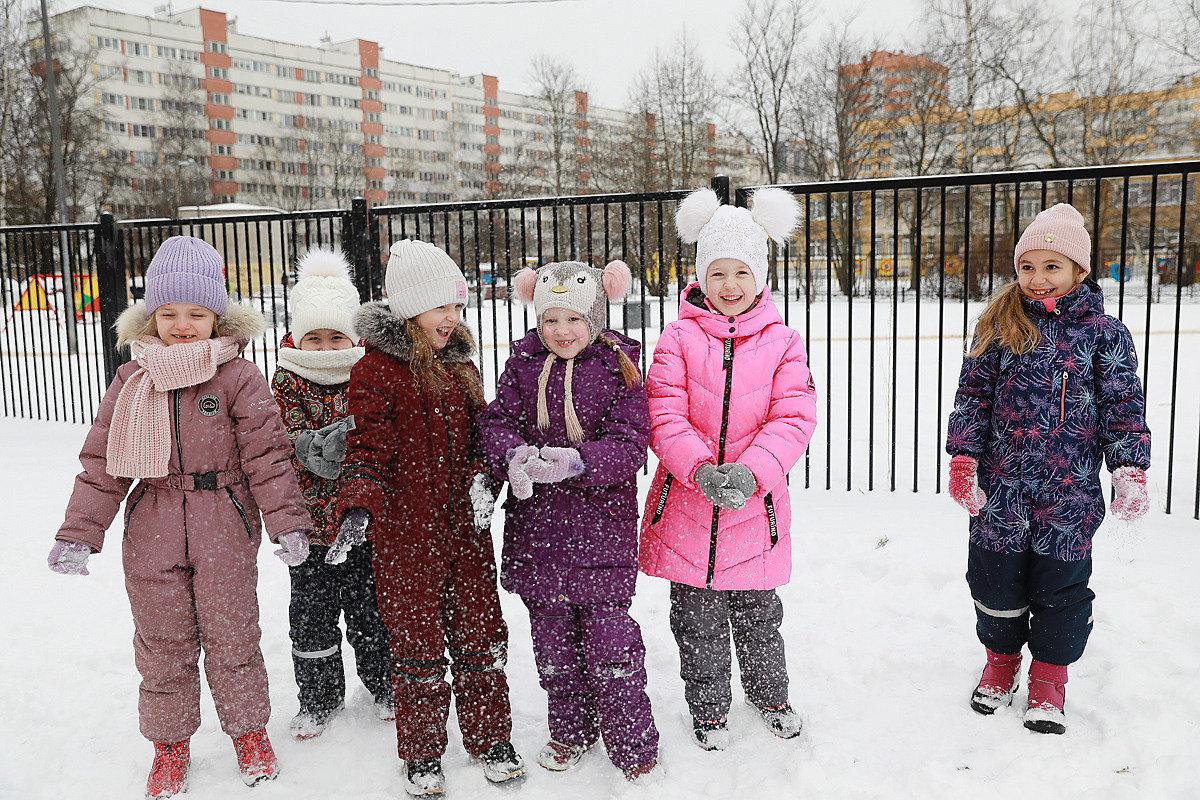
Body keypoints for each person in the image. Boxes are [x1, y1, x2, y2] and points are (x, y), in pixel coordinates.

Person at [48, 235, 311, 798]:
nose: (182, 325)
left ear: (217, 315)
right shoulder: (132, 380)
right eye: (168, 313)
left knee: (233, 637)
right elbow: (103, 464)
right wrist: (78, 533)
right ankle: (169, 746)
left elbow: (268, 457)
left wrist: (287, 522)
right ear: (151, 316)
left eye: (196, 312)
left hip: (225, 523)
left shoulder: (238, 377)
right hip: (153, 527)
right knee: (162, 642)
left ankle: (249, 733)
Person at [326, 238, 525, 796]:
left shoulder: (461, 366)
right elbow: (368, 448)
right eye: (442, 306)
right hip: (405, 539)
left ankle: (490, 739)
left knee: (481, 638)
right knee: (416, 650)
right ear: (411, 307)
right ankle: (422, 752)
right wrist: (358, 505)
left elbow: (483, 437)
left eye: (458, 306)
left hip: (465, 534)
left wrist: (485, 478)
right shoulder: (375, 372)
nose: (452, 317)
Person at [946, 203, 1151, 734]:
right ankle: (1001, 664)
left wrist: (1129, 468)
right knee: (994, 585)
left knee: (1061, 591)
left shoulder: (1104, 334)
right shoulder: (998, 326)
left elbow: (1122, 405)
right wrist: (963, 458)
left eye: (1051, 266)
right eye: (1027, 267)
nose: (1037, 278)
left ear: (1079, 270)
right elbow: (973, 398)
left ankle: (1049, 679)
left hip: (1069, 495)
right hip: (1002, 491)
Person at [639, 187, 818, 751]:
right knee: (697, 624)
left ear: (760, 277)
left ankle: (770, 695)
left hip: (754, 511)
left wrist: (752, 472)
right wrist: (697, 468)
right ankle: (710, 709)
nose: (730, 285)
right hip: (688, 507)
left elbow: (794, 416)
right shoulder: (677, 338)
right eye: (717, 273)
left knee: (759, 616)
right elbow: (663, 413)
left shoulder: (783, 342)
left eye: (741, 272)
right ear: (700, 277)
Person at [477, 259, 660, 782]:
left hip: (601, 535)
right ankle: (570, 731)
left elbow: (630, 445)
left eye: (574, 319)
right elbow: (495, 423)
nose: (561, 331)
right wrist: (513, 455)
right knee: (554, 648)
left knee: (612, 649)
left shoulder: (619, 368)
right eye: (550, 319)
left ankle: (631, 741)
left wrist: (577, 462)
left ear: (595, 318)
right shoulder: (523, 366)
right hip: (538, 534)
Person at [270, 247, 393, 740]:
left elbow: (377, 434)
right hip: (309, 529)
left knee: (372, 613)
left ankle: (384, 684)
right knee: (311, 620)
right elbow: (283, 439)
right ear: (298, 337)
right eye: (313, 338)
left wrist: (341, 441)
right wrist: (319, 443)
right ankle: (319, 698)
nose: (324, 348)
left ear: (353, 336)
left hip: (362, 527)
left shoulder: (368, 373)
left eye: (335, 336)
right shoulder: (286, 379)